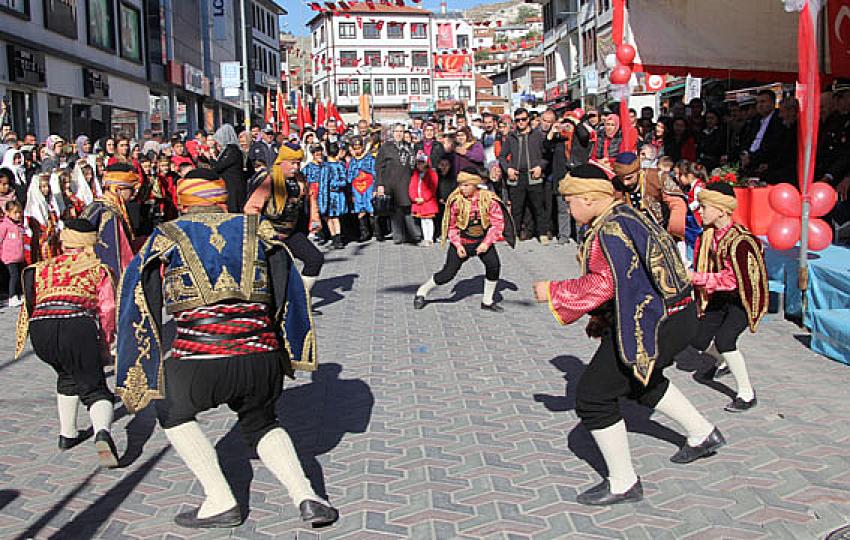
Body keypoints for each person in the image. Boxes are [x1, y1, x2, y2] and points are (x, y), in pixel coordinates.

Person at [114, 169, 338, 529]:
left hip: (201, 359)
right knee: (262, 420)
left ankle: (220, 499)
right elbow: (287, 287)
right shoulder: (257, 229)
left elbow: (138, 294)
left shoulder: (167, 234)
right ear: (222, 199)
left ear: (183, 202)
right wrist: (283, 346)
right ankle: (309, 498)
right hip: (260, 355)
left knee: (170, 408)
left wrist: (141, 360)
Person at [532, 164, 724, 506]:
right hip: (679, 315)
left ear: (589, 198)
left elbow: (607, 283)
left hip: (655, 321)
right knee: (640, 381)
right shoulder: (628, 214)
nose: (568, 208)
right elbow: (632, 278)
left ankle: (624, 483)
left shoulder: (611, 229)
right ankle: (702, 433)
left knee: (593, 397)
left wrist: (554, 290)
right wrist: (604, 318)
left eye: (570, 201)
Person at [16, 219, 119, 467]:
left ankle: (67, 434)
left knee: (67, 374)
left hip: (41, 327)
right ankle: (102, 432)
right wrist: (106, 345)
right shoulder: (97, 268)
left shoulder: (40, 268)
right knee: (95, 387)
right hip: (75, 324)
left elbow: (29, 303)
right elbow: (107, 308)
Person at [689, 183, 768, 412]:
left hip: (742, 299)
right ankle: (723, 361)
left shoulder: (742, 241)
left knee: (725, 340)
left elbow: (733, 280)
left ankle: (746, 393)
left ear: (722, 210)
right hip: (721, 295)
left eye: (704, 207)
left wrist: (695, 277)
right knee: (696, 337)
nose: (700, 212)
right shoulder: (708, 236)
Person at [414, 169, 514, 312]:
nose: (462, 188)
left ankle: (487, 301)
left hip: (482, 240)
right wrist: (457, 245)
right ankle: (422, 291)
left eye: (466, 185)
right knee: (447, 274)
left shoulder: (489, 199)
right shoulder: (456, 201)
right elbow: (452, 226)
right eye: (460, 184)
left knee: (494, 266)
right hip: (463, 241)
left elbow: (497, 223)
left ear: (475, 184)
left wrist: (486, 243)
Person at [245, 142, 324, 314]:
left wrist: (315, 219)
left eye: (298, 163)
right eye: (292, 163)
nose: (295, 167)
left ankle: (300, 299)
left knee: (315, 258)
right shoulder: (269, 178)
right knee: (278, 275)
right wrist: (266, 233)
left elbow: (311, 199)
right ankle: (278, 310)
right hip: (270, 236)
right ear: (281, 161)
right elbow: (251, 209)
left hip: (291, 232)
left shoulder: (300, 179)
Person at [79, 163, 139, 279]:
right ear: (118, 189)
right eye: (131, 189)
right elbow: (116, 257)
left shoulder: (95, 207)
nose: (133, 194)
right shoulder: (109, 214)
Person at [498, 108, 549, 244]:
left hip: (534, 175)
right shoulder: (511, 137)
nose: (521, 122)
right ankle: (513, 233)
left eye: (524, 119)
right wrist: (508, 168)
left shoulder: (538, 136)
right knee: (516, 208)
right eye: (518, 120)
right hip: (516, 176)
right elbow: (502, 156)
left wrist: (540, 166)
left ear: (528, 120)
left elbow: (547, 155)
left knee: (538, 207)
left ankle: (542, 233)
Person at [612, 152, 686, 242]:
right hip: (632, 234)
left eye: (629, 178)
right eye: (621, 179)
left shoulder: (658, 177)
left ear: (639, 171)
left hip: (661, 232)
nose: (625, 183)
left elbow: (677, 203)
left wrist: (674, 231)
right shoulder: (616, 184)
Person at [376, 123, 419, 244]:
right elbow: (379, 167)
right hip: (391, 183)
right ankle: (398, 236)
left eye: (401, 131)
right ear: (392, 133)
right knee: (395, 211)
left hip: (406, 182)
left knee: (407, 209)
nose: (399, 134)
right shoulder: (386, 147)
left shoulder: (408, 147)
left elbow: (412, 165)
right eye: (397, 131)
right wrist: (380, 185)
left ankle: (413, 234)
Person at [23, 173, 61, 264]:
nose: (46, 189)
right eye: (43, 187)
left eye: (47, 186)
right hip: (41, 242)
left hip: (52, 240)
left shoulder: (50, 202)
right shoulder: (33, 206)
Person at [211, 124, 250, 213]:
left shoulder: (232, 151)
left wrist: (211, 159)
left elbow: (219, 167)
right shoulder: (228, 150)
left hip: (233, 186)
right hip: (229, 185)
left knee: (234, 210)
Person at [318, 142, 349, 249]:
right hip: (328, 195)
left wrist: (332, 185)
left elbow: (344, 181)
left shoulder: (337, 166)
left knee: (334, 217)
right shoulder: (327, 166)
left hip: (334, 196)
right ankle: (334, 237)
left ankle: (338, 238)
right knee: (328, 217)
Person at [347, 136, 378, 242]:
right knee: (360, 210)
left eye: (359, 148)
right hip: (356, 188)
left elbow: (374, 173)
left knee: (371, 209)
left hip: (368, 185)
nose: (357, 150)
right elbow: (350, 176)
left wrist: (375, 188)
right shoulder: (352, 161)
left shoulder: (369, 158)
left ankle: (375, 231)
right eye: (355, 148)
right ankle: (364, 233)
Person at [409, 151, 439, 246]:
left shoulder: (432, 173)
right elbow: (412, 186)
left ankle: (430, 238)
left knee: (429, 220)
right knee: (422, 220)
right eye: (418, 163)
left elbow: (432, 188)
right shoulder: (415, 174)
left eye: (422, 163)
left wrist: (424, 198)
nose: (419, 165)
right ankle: (425, 238)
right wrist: (414, 197)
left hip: (428, 202)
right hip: (418, 200)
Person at [0, 200, 25, 306]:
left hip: (18, 256)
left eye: (19, 212)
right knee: (13, 276)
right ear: (8, 213)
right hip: (9, 257)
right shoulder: (5, 225)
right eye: (15, 213)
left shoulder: (19, 226)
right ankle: (12, 296)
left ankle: (18, 294)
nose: (18, 215)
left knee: (19, 276)